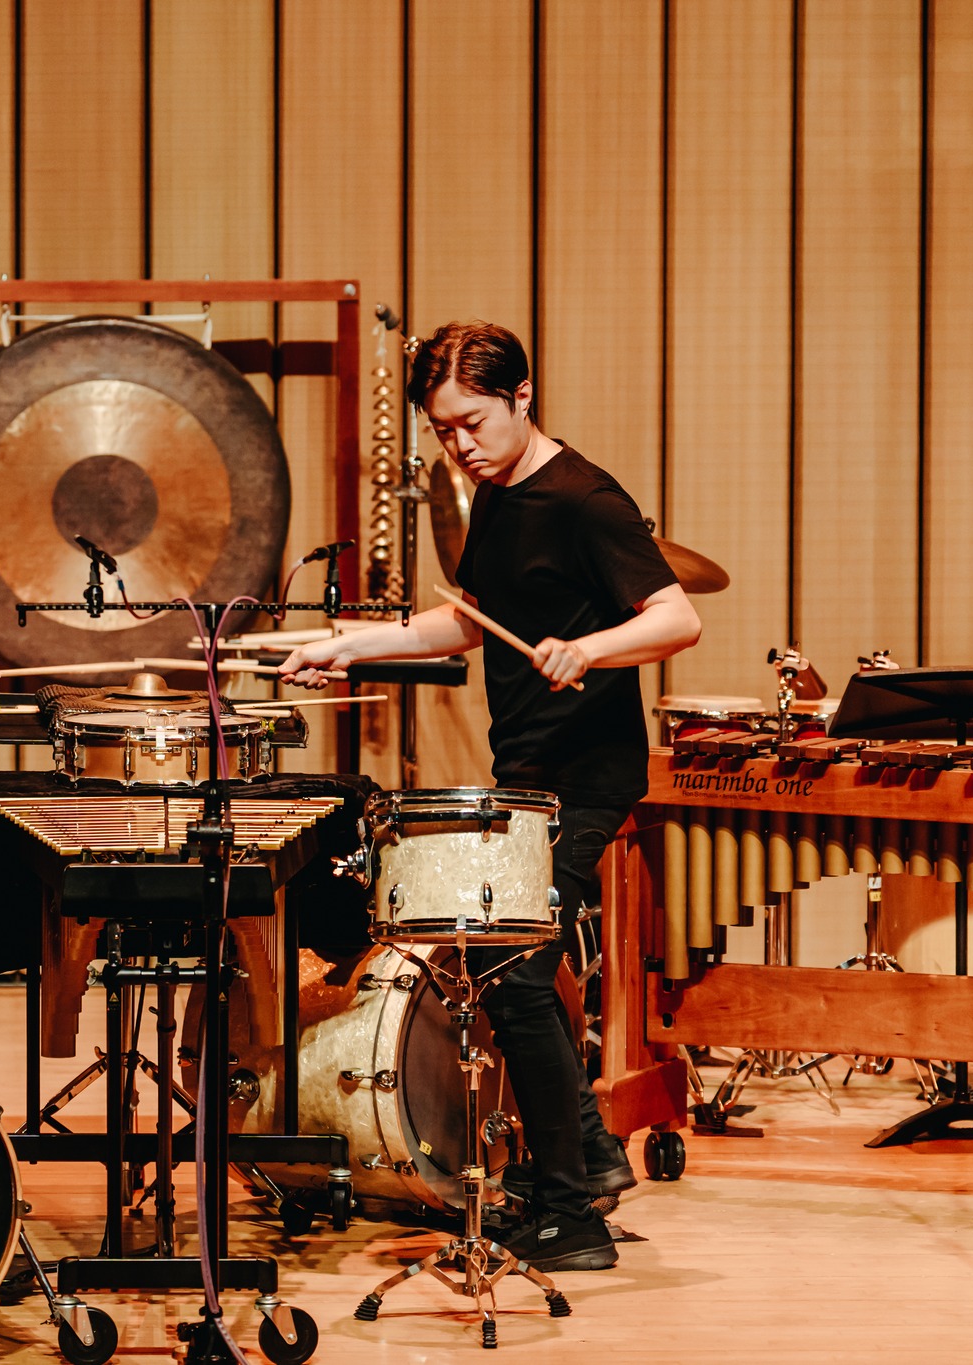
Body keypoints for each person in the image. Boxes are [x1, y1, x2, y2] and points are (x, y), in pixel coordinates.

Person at [279, 321, 701, 1269]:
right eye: (442, 430)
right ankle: (589, 1157)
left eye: (472, 422)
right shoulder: (497, 497)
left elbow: (679, 618)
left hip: (585, 777)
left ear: (522, 397)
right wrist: (348, 646)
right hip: (528, 775)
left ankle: (571, 1213)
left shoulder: (586, 500)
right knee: (507, 969)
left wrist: (588, 649)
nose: (458, 445)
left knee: (515, 976)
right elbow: (468, 622)